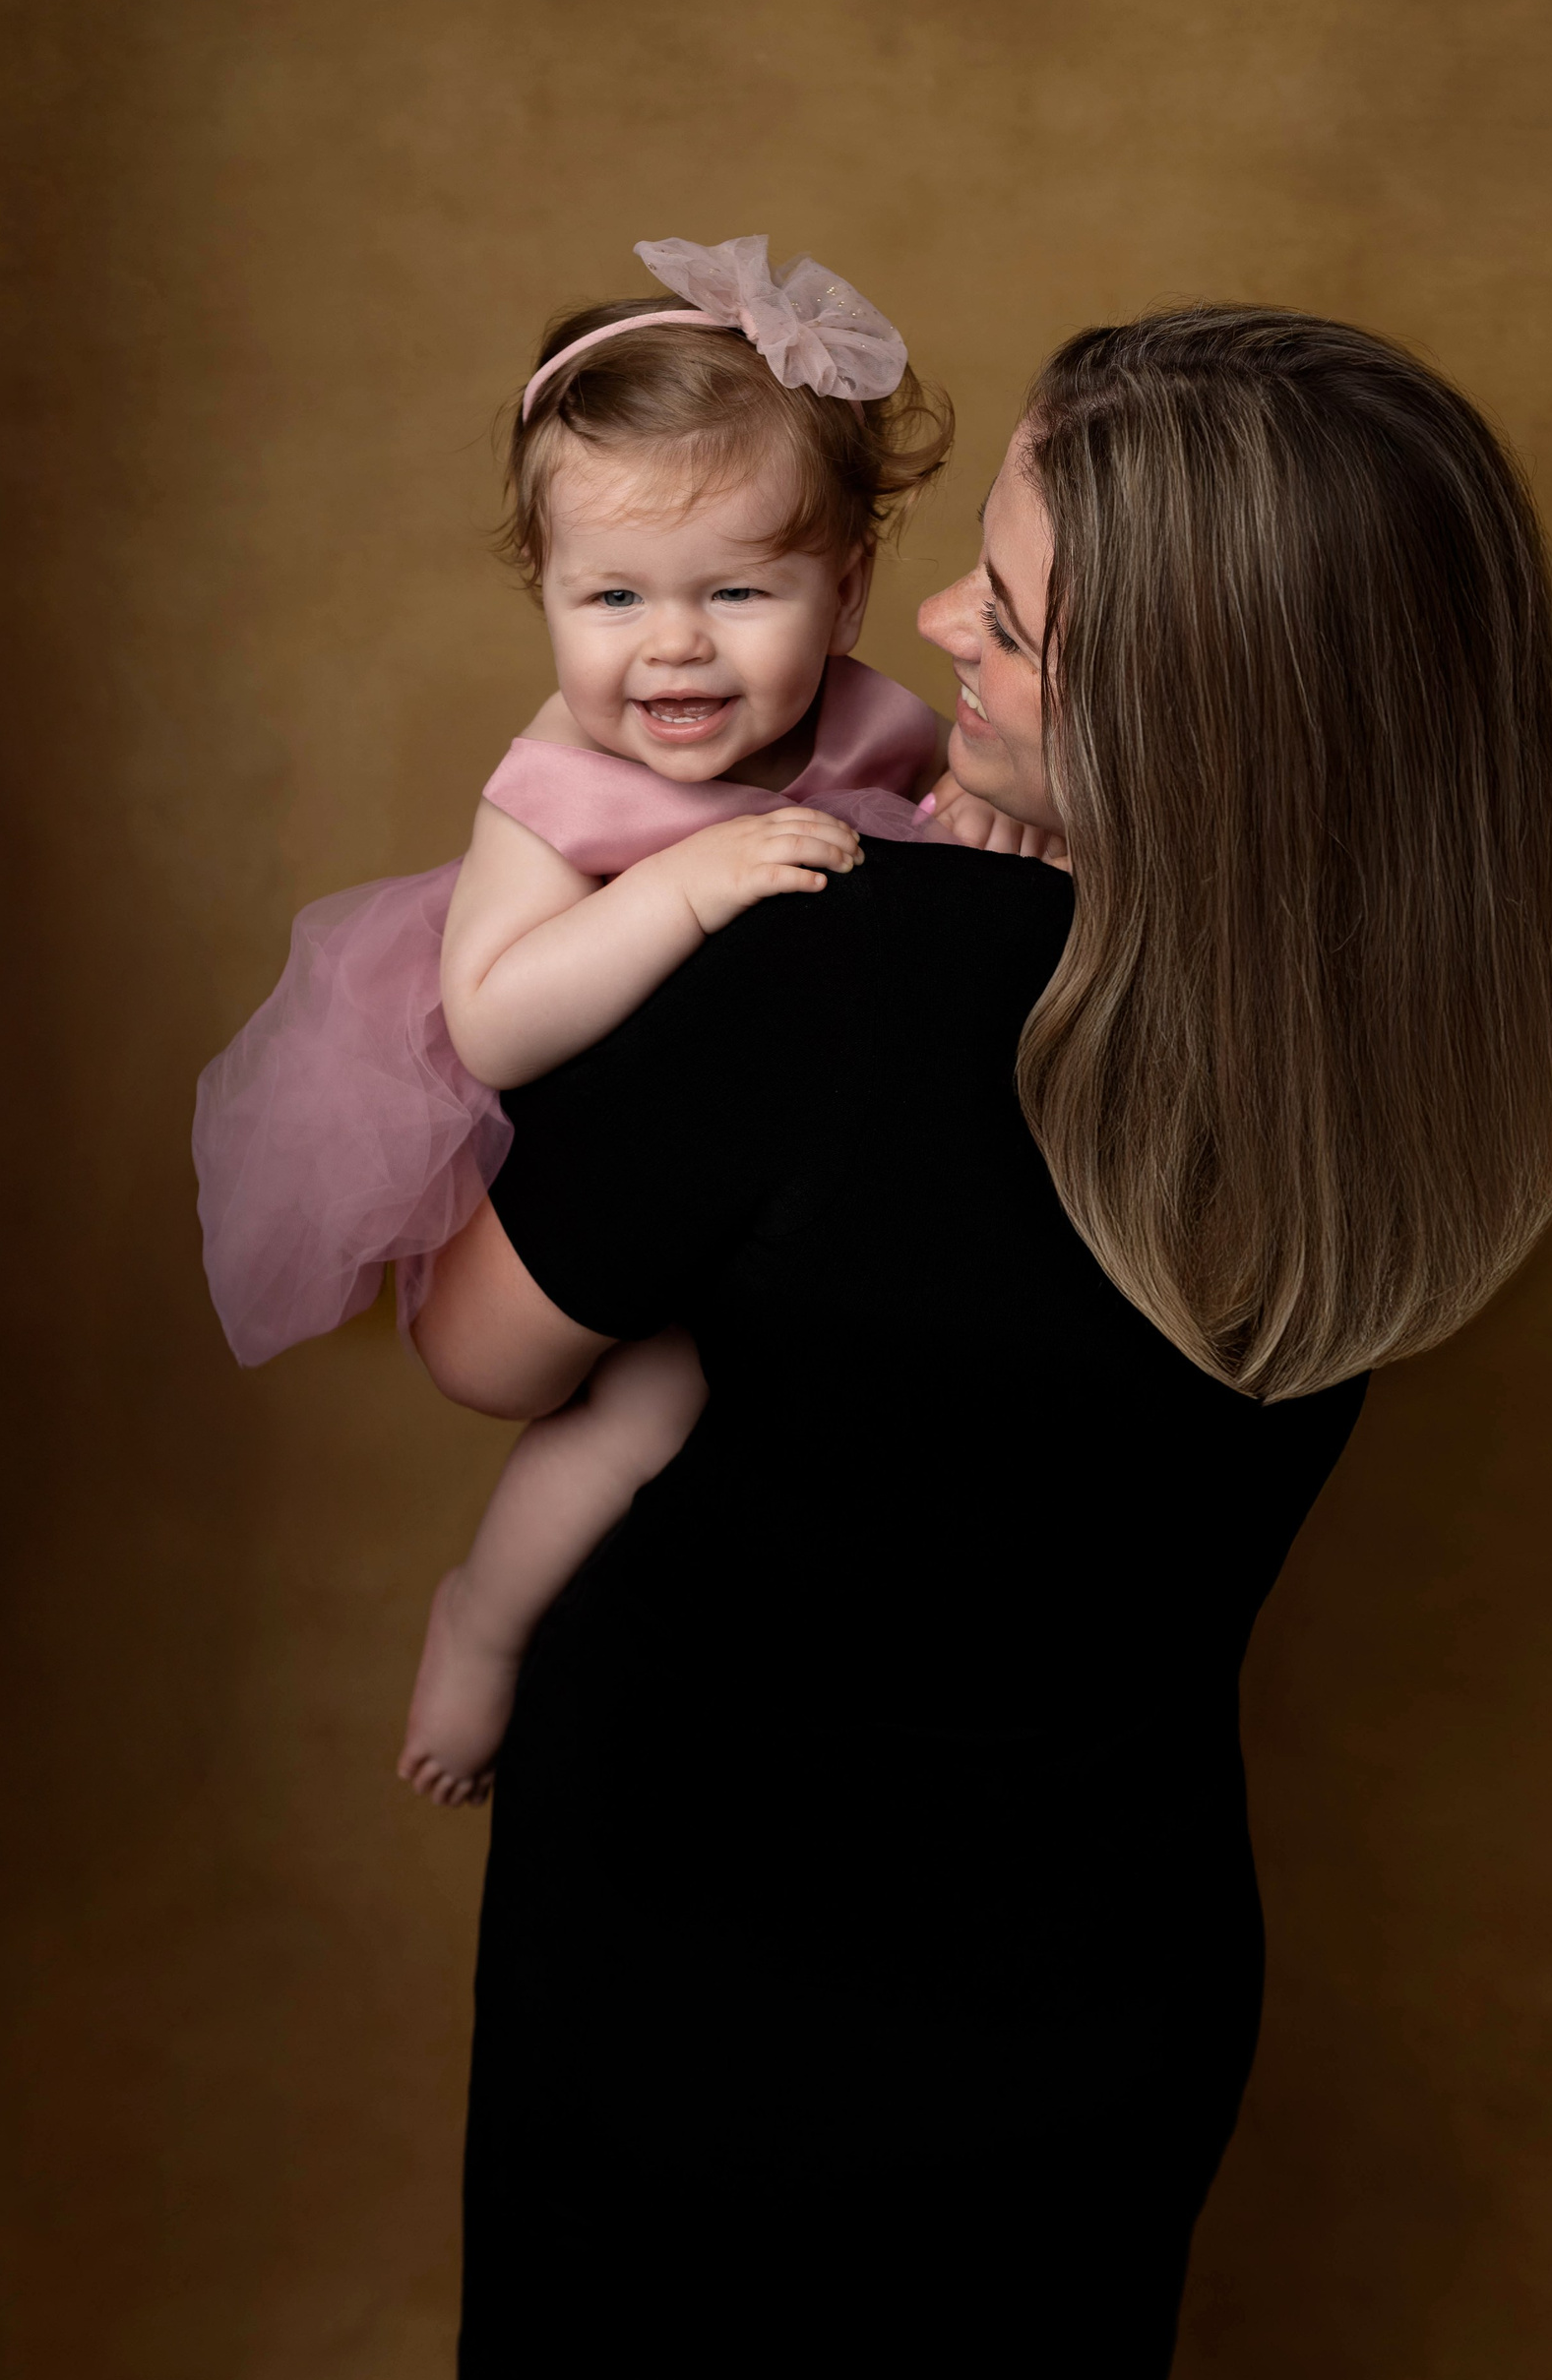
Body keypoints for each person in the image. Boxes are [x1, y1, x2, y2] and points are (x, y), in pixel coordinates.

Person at [412, 303, 1552, 2380]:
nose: (943, 615)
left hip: (699, 1983)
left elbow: (480, 1345)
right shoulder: (1396, 1073)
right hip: (1105, 2003)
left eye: (1025, 624)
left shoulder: (836, 966)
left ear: (1197, 711)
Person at [195, 236, 1053, 1802]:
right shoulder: (557, 785)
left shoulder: (868, 714)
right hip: (568, 1158)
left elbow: (916, 845)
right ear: (543, 590)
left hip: (783, 1191)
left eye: (738, 592)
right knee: (645, 1412)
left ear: (847, 590)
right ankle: (483, 1621)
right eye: (609, 596)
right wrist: (683, 887)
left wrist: (988, 820)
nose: (672, 645)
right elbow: (494, 1023)